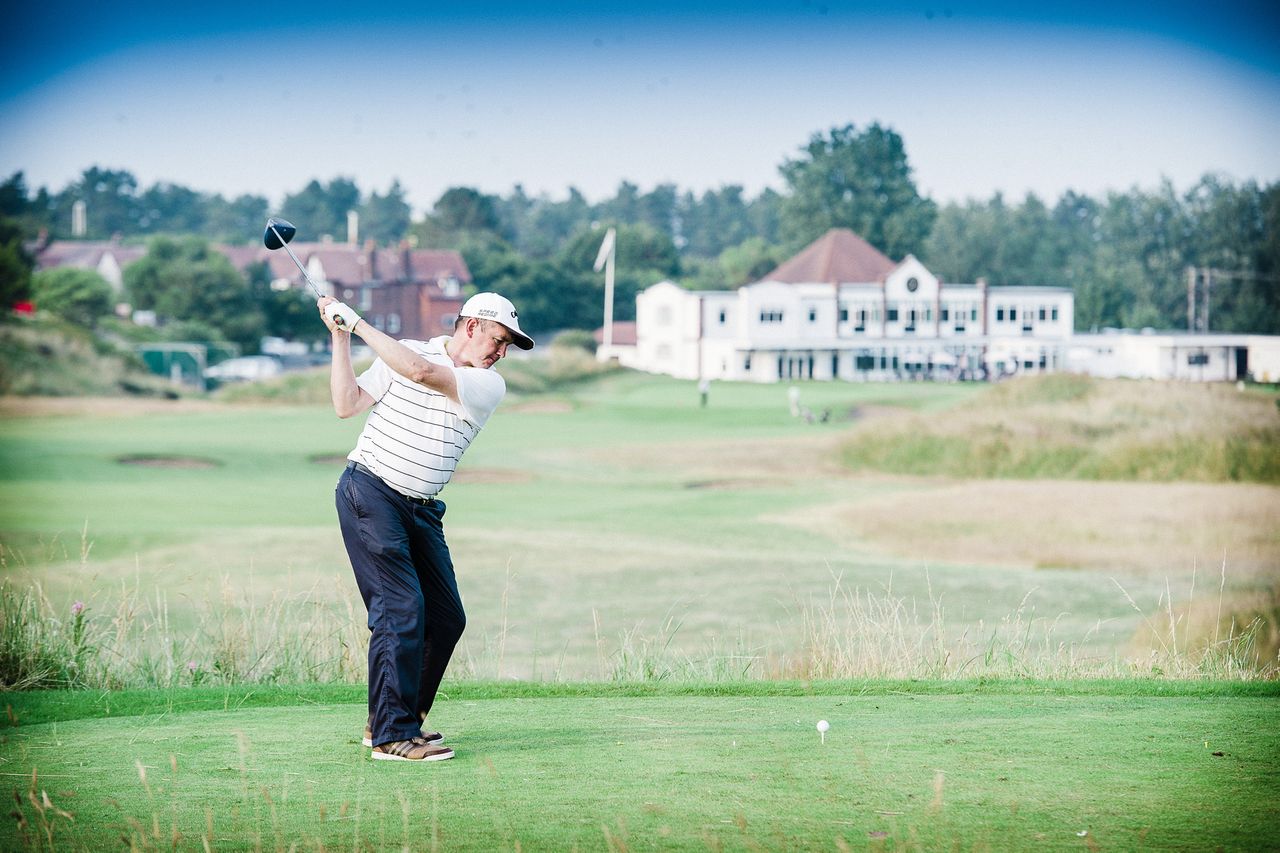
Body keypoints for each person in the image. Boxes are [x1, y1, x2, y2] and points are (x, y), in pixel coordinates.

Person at [318, 292, 534, 762]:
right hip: (370, 491)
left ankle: (393, 718)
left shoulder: (484, 384)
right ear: (471, 326)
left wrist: (356, 323)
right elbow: (346, 403)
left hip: (420, 509)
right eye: (498, 340)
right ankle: (392, 737)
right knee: (400, 609)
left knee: (445, 617)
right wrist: (340, 338)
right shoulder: (409, 350)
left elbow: (420, 372)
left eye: (508, 347)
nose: (501, 353)